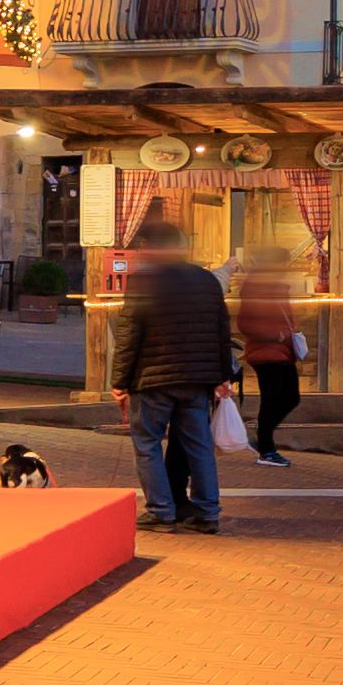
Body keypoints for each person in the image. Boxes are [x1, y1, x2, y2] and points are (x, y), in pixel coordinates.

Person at [115, 210, 236, 534]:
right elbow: (221, 331)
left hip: (153, 378)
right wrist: (222, 376)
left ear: (149, 246)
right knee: (199, 446)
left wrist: (119, 382)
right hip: (196, 380)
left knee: (147, 442)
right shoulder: (207, 280)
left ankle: (160, 511)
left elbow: (130, 333)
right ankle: (208, 512)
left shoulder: (143, 280)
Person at [232, 242, 309, 469]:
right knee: (274, 400)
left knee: (289, 397)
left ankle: (263, 439)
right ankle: (266, 448)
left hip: (281, 350)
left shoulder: (271, 285)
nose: (286, 267)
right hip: (267, 352)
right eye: (283, 263)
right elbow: (244, 323)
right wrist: (274, 334)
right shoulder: (257, 286)